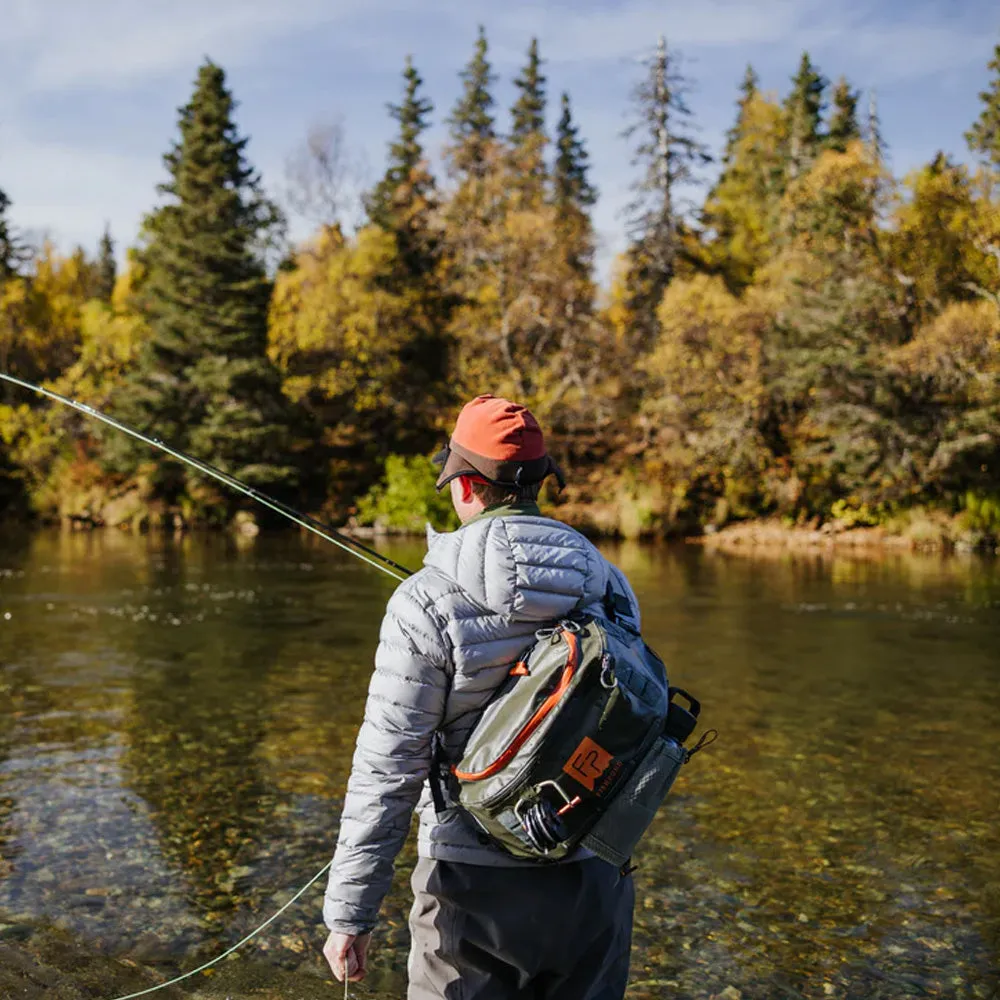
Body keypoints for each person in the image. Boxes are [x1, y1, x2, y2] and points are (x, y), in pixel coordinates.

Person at [323, 394, 641, 1000]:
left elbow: (387, 770)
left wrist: (349, 916)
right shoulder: (613, 587)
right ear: (539, 484)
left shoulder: (422, 603)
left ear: (464, 486)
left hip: (469, 890)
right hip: (593, 880)